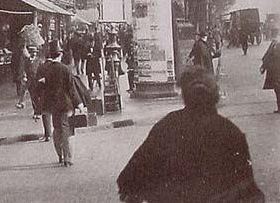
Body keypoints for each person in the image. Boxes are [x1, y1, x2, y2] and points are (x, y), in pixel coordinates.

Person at [117, 66, 265, 203]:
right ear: (215, 95)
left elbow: (129, 177)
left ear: (185, 95)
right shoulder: (230, 132)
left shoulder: (166, 126)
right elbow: (248, 189)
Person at [39, 40, 84, 167]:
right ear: (60, 55)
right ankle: (68, 158)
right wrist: (79, 104)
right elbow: (71, 89)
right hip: (66, 104)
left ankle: (59, 155)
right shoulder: (66, 69)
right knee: (66, 130)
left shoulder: (45, 69)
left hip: (53, 105)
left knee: (57, 129)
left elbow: (41, 88)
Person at [260, 28, 280, 113]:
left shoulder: (275, 44)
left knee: (278, 89)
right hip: (274, 70)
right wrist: (263, 67)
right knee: (277, 89)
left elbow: (268, 56)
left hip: (276, 70)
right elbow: (267, 56)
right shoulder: (274, 44)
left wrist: (263, 67)